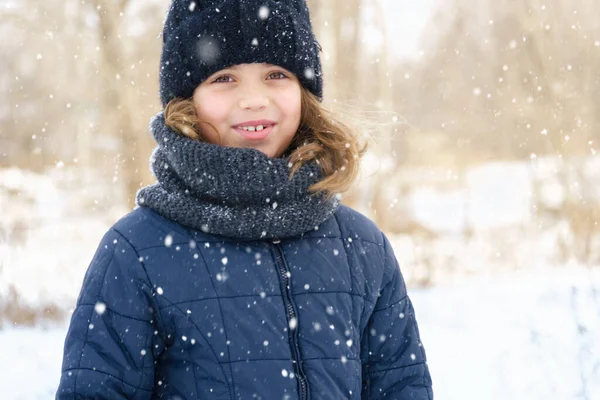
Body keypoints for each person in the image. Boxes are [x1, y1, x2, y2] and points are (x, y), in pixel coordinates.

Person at [56, 0, 433, 399]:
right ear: (186, 101)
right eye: (223, 78)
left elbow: (402, 386)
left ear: (304, 93)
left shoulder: (361, 247)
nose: (254, 99)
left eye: (275, 74)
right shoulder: (136, 253)